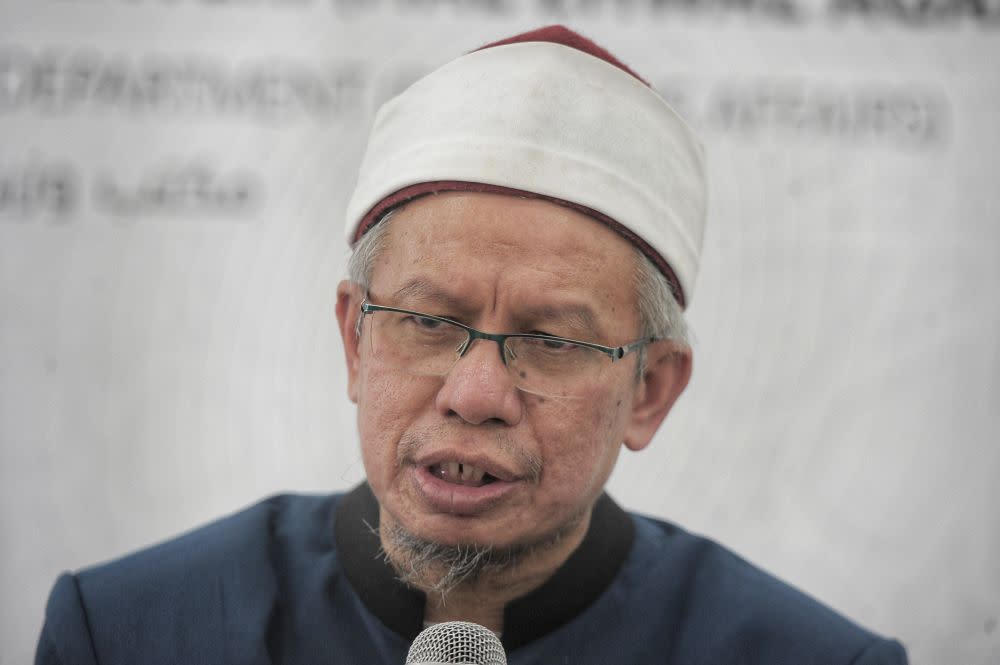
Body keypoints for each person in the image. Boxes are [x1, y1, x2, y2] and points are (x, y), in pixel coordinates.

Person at [35, 26, 908, 664]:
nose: (476, 391)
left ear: (650, 390)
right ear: (354, 339)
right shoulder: (128, 632)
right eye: (428, 321)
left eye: (549, 339)